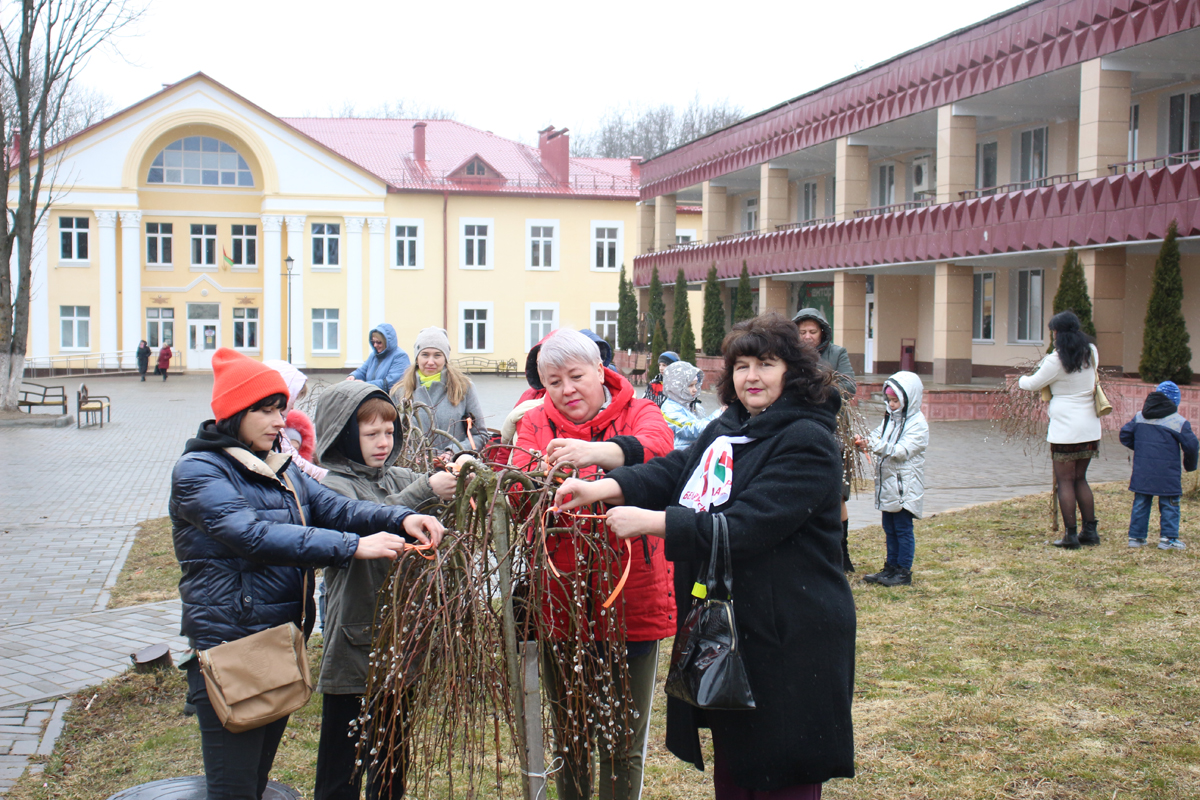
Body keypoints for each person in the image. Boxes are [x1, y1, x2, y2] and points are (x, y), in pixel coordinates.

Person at [554, 313, 855, 799]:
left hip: (792, 634)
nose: (751, 377)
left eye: (766, 364)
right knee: (737, 760)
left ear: (792, 371)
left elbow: (746, 526)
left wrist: (651, 522)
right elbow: (678, 471)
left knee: (783, 767)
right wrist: (606, 488)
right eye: (741, 366)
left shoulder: (807, 440)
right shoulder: (735, 426)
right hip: (742, 626)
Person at [170, 347, 444, 800]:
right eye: (266, 409)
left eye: (281, 408)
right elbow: (253, 535)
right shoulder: (200, 471)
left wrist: (398, 520)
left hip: (276, 644)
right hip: (231, 651)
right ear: (234, 413)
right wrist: (354, 546)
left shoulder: (276, 468)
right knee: (234, 789)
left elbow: (336, 507)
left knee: (253, 784)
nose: (281, 421)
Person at [510, 328, 675, 800]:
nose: (567, 390)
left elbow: (660, 450)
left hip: (633, 594)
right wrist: (515, 483)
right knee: (572, 735)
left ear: (600, 372)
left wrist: (596, 454)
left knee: (622, 739)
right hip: (561, 596)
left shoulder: (639, 410)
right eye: (554, 381)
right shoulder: (536, 423)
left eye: (576, 376)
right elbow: (521, 495)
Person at [311, 380, 461, 800]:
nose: (382, 442)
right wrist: (424, 491)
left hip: (402, 635)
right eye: (370, 434)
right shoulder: (332, 486)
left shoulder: (394, 476)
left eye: (389, 432)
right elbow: (370, 517)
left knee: (393, 754)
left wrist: (453, 477)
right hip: (355, 637)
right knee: (342, 759)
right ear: (343, 435)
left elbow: (427, 500)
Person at [1018, 311, 1102, 548]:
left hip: (1065, 427)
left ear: (1057, 333)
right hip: (1089, 426)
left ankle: (1071, 536)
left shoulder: (1055, 361)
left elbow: (1032, 384)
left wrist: (1020, 379)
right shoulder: (1091, 352)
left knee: (1065, 481)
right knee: (1081, 479)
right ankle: (1090, 532)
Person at [793, 307, 858, 572]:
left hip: (834, 428)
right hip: (800, 426)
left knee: (837, 494)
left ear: (823, 332)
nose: (807, 337)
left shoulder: (837, 353)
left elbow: (848, 387)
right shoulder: (790, 356)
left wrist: (816, 387)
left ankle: (842, 552)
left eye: (812, 331)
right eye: (802, 332)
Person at [854, 372, 928, 587]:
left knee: (903, 529)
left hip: (905, 486)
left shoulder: (918, 425)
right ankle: (890, 568)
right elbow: (876, 437)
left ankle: (903, 571)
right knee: (889, 527)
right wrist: (864, 442)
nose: (892, 405)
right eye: (890, 400)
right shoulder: (890, 419)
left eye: (896, 401)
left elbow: (901, 451)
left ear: (908, 399)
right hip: (889, 485)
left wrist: (874, 446)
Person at [1120, 380, 1199, 550]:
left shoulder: (1140, 416)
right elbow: (1192, 446)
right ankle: (1168, 539)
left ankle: (1136, 538)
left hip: (1142, 472)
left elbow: (1124, 435)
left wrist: (1142, 448)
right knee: (1170, 504)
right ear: (1175, 402)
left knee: (1141, 503)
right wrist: (1190, 466)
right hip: (1168, 474)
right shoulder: (1178, 422)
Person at [390, 327, 489, 452]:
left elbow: (479, 435)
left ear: (445, 358)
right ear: (417, 357)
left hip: (453, 466)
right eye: (425, 355)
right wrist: (413, 455)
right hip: (413, 468)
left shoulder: (464, 387)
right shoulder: (399, 391)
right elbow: (391, 437)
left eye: (437, 355)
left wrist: (454, 451)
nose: (430, 362)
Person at [265, 360, 327, 481]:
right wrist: (332, 479)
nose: (292, 407)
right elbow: (296, 465)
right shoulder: (275, 428)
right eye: (293, 399)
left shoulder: (278, 427)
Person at [659, 360, 721, 449]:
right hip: (679, 456)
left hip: (694, 453)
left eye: (695, 385)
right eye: (690, 386)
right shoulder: (669, 409)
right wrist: (719, 415)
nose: (695, 389)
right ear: (677, 386)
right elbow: (692, 430)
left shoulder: (693, 406)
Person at [348, 324, 410, 391]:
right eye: (373, 342)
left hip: (390, 399)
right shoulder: (374, 355)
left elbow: (390, 383)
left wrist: (365, 385)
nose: (375, 345)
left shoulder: (400, 356)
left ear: (387, 342)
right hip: (373, 395)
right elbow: (363, 371)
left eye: (379, 342)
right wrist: (353, 376)